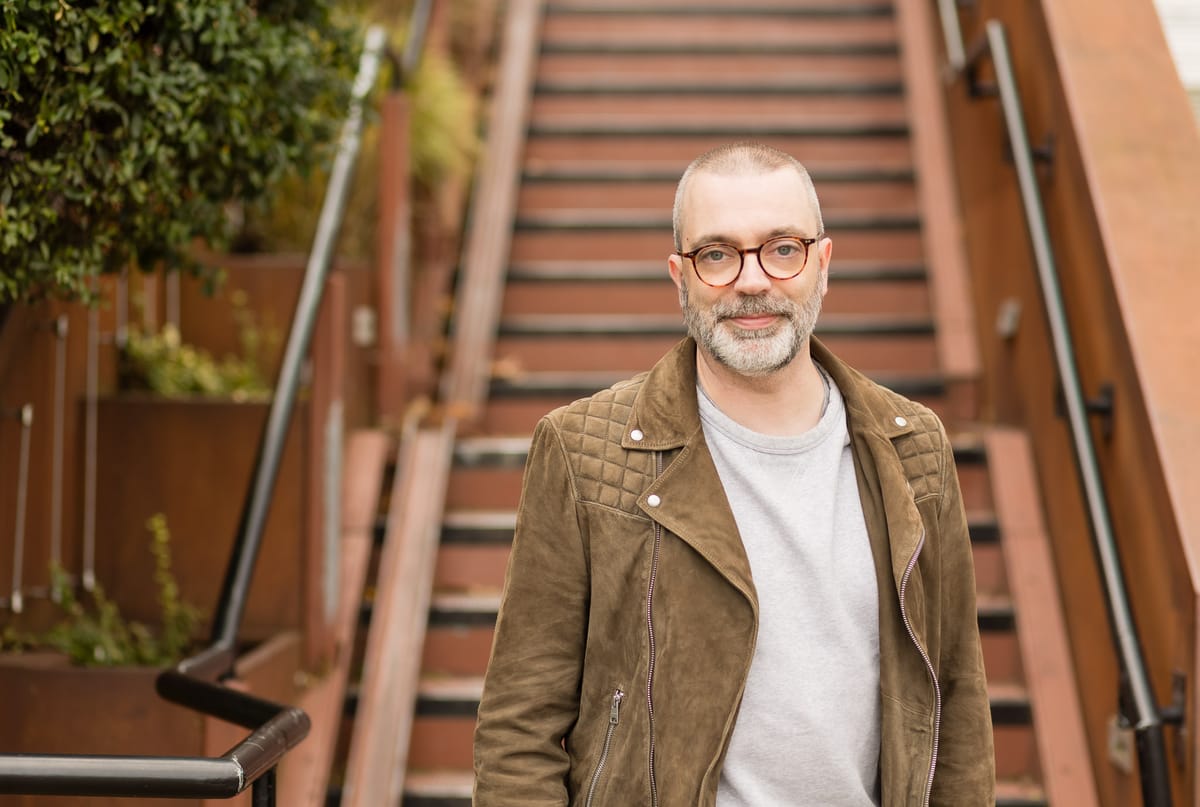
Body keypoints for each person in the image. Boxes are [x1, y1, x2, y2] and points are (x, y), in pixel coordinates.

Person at [472, 141, 995, 806]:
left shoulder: (913, 448)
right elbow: (519, 727)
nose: (752, 281)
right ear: (679, 275)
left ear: (823, 264)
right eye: (717, 254)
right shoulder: (582, 453)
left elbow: (959, 707)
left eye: (782, 249)